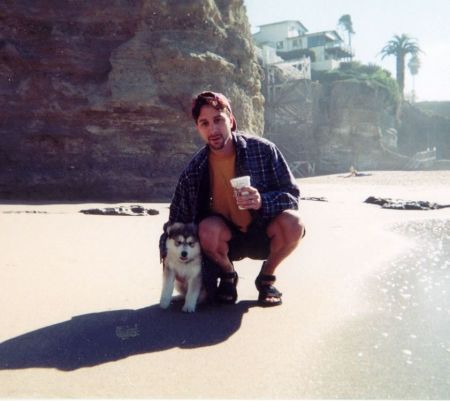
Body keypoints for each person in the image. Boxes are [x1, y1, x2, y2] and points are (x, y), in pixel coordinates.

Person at [159, 91, 305, 307]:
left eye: (218, 120)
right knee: (206, 228)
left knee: (294, 223)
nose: (213, 129)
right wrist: (167, 256)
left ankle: (266, 278)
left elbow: (292, 196)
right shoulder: (195, 169)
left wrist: (262, 201)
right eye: (204, 123)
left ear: (231, 120)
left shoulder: (263, 150)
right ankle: (228, 275)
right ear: (198, 128)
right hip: (225, 241)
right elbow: (177, 219)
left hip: (263, 232)